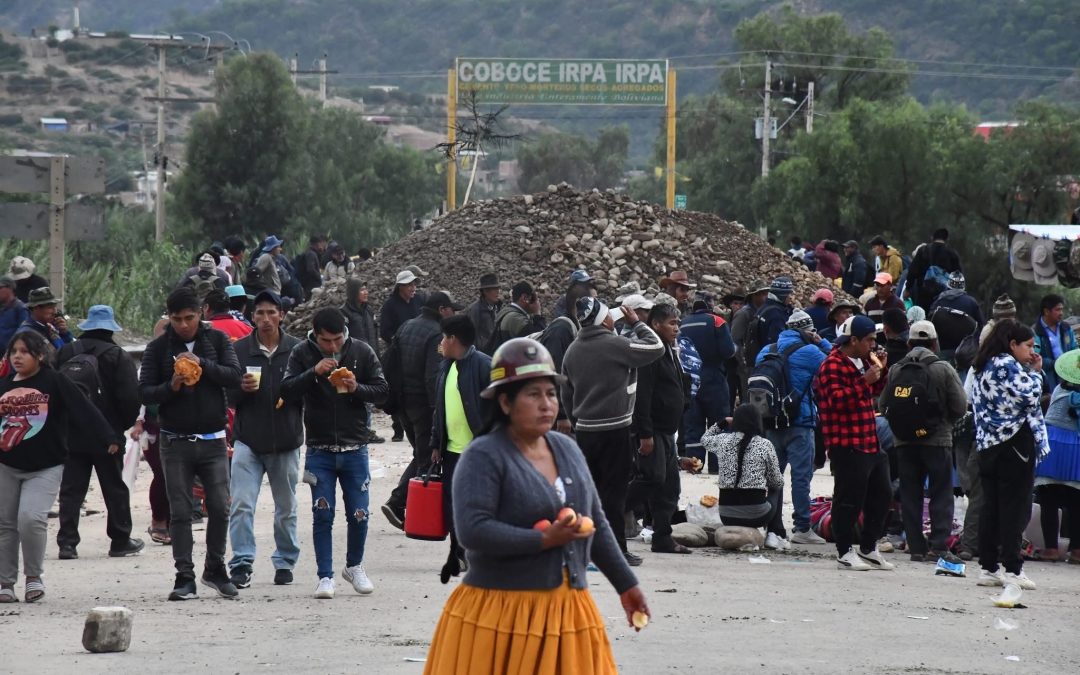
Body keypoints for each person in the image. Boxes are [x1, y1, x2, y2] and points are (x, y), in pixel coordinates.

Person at [422, 338, 648, 675]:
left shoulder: (566, 449)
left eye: (551, 394)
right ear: (505, 402)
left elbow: (595, 523)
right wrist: (542, 539)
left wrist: (627, 585)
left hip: (569, 609)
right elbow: (472, 529)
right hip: (502, 612)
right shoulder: (483, 455)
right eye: (533, 395)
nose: (547, 404)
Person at [0, 331, 122, 604]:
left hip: (45, 466)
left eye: (24, 351)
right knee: (6, 524)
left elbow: (83, 409)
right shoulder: (3, 385)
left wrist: (108, 436)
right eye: (13, 351)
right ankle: (5, 582)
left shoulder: (54, 381)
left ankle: (34, 577)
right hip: (6, 465)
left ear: (40, 356)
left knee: (30, 519)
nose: (17, 356)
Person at [139, 287, 243, 601]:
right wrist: (171, 385)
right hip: (175, 442)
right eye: (177, 318)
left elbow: (234, 376)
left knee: (221, 508)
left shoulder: (217, 341)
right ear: (168, 317)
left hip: (213, 440)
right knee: (181, 512)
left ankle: (214, 567)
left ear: (200, 314)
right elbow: (144, 392)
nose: (184, 324)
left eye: (189, 317)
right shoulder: (158, 349)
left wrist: (202, 365)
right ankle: (184, 576)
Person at [281, 307, 387, 599]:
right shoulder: (302, 353)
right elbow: (286, 390)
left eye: (338, 339)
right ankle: (325, 576)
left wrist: (357, 388)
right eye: (326, 341)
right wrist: (312, 373)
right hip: (319, 450)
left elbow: (383, 390)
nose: (333, 346)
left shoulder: (362, 351)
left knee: (360, 513)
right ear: (315, 335)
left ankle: (354, 566)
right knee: (322, 513)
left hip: (356, 448)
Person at [561, 296, 665, 566]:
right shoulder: (614, 344)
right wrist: (637, 323)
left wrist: (576, 419)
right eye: (609, 315)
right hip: (615, 429)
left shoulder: (573, 350)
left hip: (585, 431)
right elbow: (655, 348)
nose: (612, 318)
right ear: (602, 320)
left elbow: (566, 393)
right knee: (614, 493)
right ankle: (616, 551)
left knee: (590, 492)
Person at [227, 290, 304, 589]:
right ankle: (242, 563)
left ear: (282, 315)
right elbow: (227, 395)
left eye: (272, 312)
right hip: (248, 440)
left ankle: (285, 561)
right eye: (260, 313)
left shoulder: (297, 350)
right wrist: (240, 389)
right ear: (252, 317)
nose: (266, 318)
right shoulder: (240, 351)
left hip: (286, 441)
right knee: (242, 504)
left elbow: (308, 391)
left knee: (286, 507)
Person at [55, 306, 143, 560]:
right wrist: (120, 428)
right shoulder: (117, 356)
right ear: (110, 328)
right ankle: (120, 540)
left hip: (71, 433)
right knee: (114, 486)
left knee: (72, 489)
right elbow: (129, 398)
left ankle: (67, 543)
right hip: (107, 435)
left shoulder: (65, 352)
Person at [879, 321, 967, 562]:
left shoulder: (896, 369)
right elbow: (960, 405)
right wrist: (942, 422)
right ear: (934, 343)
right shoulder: (943, 368)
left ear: (909, 343)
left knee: (910, 494)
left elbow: (883, 405)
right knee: (940, 493)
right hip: (937, 441)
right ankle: (938, 546)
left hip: (904, 441)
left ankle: (916, 547)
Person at [970, 320, 1046, 590]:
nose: (1032, 351)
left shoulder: (983, 364)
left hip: (988, 444)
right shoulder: (1007, 364)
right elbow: (1028, 396)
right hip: (1013, 443)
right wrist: (1036, 373)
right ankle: (1013, 569)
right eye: (1028, 345)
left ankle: (989, 567)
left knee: (991, 508)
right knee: (1015, 508)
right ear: (1012, 344)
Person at [815, 315, 894, 571]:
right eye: (869, 340)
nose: (873, 345)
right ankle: (844, 550)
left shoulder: (862, 361)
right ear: (854, 340)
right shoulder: (832, 365)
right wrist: (865, 381)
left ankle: (869, 547)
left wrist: (880, 372)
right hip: (846, 443)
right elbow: (837, 401)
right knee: (848, 499)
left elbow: (873, 392)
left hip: (869, 441)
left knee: (882, 495)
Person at [382, 291, 464, 528]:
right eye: (451, 309)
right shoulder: (437, 333)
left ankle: (397, 502)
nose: (454, 313)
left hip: (403, 403)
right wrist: (438, 409)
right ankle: (399, 502)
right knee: (428, 454)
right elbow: (432, 377)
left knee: (422, 453)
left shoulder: (407, 325)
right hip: (422, 405)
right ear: (441, 310)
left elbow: (390, 360)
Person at [756, 310, 832, 546]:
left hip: (770, 421)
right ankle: (802, 527)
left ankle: (772, 527)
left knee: (773, 477)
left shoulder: (767, 351)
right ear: (807, 331)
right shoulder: (810, 352)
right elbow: (835, 365)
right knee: (801, 477)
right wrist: (823, 342)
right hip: (800, 422)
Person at [429, 315, 492, 582]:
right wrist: (436, 442)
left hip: (479, 451)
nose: (441, 342)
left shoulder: (484, 366)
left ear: (453, 339)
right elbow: (439, 408)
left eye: (444, 337)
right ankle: (460, 552)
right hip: (452, 451)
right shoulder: (446, 367)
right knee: (453, 505)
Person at [630, 303, 697, 554]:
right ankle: (610, 511)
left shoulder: (670, 350)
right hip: (653, 430)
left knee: (670, 487)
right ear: (656, 325)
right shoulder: (652, 352)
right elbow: (643, 395)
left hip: (668, 431)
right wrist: (645, 434)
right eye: (671, 323)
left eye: (678, 323)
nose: (676, 328)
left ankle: (662, 537)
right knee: (651, 479)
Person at [702, 404, 784, 534]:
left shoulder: (722, 441)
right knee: (777, 486)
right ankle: (775, 533)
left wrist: (723, 422)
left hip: (727, 516)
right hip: (757, 516)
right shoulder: (765, 444)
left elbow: (704, 439)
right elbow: (777, 482)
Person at [1030, 350, 1080, 562]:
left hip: (1051, 446)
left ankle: (1051, 548)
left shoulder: (1059, 390)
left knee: (1048, 498)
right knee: (1077, 501)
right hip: (1076, 448)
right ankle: (1077, 550)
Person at [680, 291, 737, 473]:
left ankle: (694, 465)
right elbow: (728, 351)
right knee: (718, 422)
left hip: (689, 379)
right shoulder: (717, 322)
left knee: (693, 423)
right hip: (714, 377)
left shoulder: (682, 324)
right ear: (709, 305)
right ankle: (716, 466)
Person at [905, 228, 963, 310]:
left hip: (923, 292)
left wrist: (908, 288)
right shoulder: (952, 254)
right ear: (947, 239)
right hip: (944, 295)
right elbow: (958, 275)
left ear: (932, 238)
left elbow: (912, 271)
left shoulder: (923, 250)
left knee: (923, 317)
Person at [731, 279, 770, 398]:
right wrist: (743, 364)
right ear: (754, 296)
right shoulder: (744, 314)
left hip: (759, 363)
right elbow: (735, 341)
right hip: (747, 365)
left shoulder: (762, 311)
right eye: (762, 294)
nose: (765, 297)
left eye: (766, 293)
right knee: (748, 397)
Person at [1033, 294, 1077, 392]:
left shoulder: (1066, 328)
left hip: (1069, 376)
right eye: (1057, 310)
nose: (1061, 313)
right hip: (1050, 379)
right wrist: (1055, 363)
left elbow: (1074, 348)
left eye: (1062, 309)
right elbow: (1035, 357)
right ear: (1046, 311)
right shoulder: (1036, 333)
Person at [487, 281, 546, 354]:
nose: (537, 301)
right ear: (524, 298)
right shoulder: (515, 319)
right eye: (533, 297)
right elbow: (539, 342)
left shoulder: (507, 312)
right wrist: (537, 313)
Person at [928, 272, 983, 351]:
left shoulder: (938, 302)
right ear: (963, 286)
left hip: (943, 350)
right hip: (966, 352)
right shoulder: (971, 302)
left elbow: (929, 323)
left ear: (948, 285)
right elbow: (981, 326)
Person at [16, 287, 73, 353]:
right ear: (36, 308)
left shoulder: (51, 327)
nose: (55, 312)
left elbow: (68, 351)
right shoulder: (26, 334)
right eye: (50, 307)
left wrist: (64, 333)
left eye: (55, 307)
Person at [464, 273, 503, 354]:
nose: (498, 291)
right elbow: (470, 336)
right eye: (494, 289)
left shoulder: (497, 307)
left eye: (498, 288)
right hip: (482, 356)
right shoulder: (475, 310)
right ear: (485, 291)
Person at [342, 278, 378, 354]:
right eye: (362, 290)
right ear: (353, 292)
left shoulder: (368, 310)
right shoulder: (344, 312)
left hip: (372, 355)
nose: (366, 293)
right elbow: (344, 340)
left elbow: (375, 334)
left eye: (366, 289)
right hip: (356, 358)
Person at [757, 276, 795, 347]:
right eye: (789, 294)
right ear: (782, 295)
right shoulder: (776, 315)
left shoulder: (764, 307)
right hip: (769, 355)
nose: (790, 297)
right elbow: (777, 343)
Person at [0, 277, 29, 351]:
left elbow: (24, 332)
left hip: (11, 353)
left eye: (0, 288)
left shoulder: (20, 308)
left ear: (10, 288)